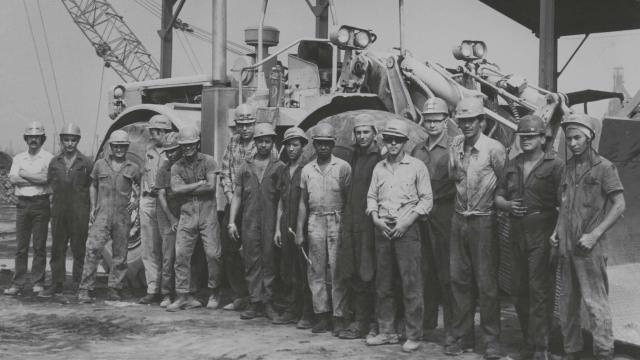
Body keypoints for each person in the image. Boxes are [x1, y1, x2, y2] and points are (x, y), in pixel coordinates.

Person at [552, 114, 625, 360]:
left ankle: (604, 353)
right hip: (566, 246)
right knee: (567, 304)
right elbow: (563, 205)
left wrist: (594, 235)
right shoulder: (568, 167)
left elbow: (619, 205)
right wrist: (555, 232)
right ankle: (572, 351)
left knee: (596, 304)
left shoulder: (605, 167)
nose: (572, 143)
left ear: (590, 137)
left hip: (590, 248)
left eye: (577, 138)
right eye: (569, 138)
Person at [494, 115, 563, 360]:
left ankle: (542, 348)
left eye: (531, 136)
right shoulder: (512, 164)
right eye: (522, 137)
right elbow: (498, 197)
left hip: (543, 232)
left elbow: (563, 204)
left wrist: (556, 235)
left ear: (543, 138)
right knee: (520, 290)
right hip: (517, 233)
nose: (526, 140)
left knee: (540, 291)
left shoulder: (555, 165)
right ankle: (528, 343)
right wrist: (508, 206)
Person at [365, 119, 433, 353]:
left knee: (411, 283)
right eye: (389, 139)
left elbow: (427, 200)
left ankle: (413, 334)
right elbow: (371, 197)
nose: (393, 144)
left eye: (398, 140)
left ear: (404, 142)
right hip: (383, 229)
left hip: (407, 229)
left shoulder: (416, 166)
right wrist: (376, 218)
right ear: (384, 140)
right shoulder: (379, 168)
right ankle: (386, 331)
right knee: (383, 284)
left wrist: (406, 222)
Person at [446, 97, 506, 359]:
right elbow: (454, 179)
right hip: (459, 219)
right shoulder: (455, 145)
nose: (466, 125)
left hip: (484, 221)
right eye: (462, 121)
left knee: (487, 284)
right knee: (459, 281)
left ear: (482, 121)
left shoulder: (495, 149)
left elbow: (504, 184)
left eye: (471, 120)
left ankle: (491, 341)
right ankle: (463, 337)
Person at [219, 104, 277, 311]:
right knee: (230, 249)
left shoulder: (264, 142)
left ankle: (265, 298)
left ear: (255, 123)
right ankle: (241, 294)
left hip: (259, 207)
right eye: (240, 124)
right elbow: (225, 173)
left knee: (263, 253)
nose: (244, 128)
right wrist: (232, 198)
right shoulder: (233, 143)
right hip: (235, 203)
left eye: (248, 124)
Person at [295, 123, 351, 334]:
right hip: (315, 219)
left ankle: (339, 316)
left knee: (337, 270)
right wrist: (300, 231)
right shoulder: (308, 169)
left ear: (333, 144)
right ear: (314, 145)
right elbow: (302, 202)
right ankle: (321, 315)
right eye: (319, 144)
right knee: (315, 269)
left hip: (337, 218)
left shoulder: (343, 167)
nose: (323, 148)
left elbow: (348, 199)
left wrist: (346, 227)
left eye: (327, 144)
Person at [411, 97, 457, 343]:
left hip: (444, 213)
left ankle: (452, 329)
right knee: (423, 270)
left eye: (436, 120)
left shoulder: (454, 148)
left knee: (446, 273)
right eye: (428, 120)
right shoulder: (417, 149)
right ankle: (426, 323)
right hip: (420, 216)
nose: (431, 125)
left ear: (446, 121)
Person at [228, 123, 285, 320]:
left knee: (269, 260)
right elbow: (236, 195)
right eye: (260, 141)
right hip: (249, 220)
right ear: (255, 143)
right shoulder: (245, 166)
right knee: (251, 260)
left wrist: (278, 227)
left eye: (267, 141)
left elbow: (281, 202)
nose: (263, 145)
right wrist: (231, 222)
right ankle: (254, 302)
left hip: (270, 220)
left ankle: (268, 302)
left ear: (272, 143)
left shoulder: (279, 168)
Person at [77, 130, 141, 302]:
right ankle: (85, 288)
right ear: (111, 146)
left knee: (120, 254)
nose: (119, 149)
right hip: (102, 214)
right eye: (116, 146)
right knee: (93, 249)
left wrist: (137, 202)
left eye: (122, 146)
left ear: (127, 147)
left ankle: (115, 288)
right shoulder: (100, 165)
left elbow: (143, 186)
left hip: (122, 216)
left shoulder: (133, 168)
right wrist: (93, 207)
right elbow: (93, 185)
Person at [167, 126, 222, 312]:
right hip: (187, 214)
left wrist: (187, 187)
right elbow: (175, 190)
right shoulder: (176, 166)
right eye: (183, 145)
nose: (187, 148)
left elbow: (211, 187)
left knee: (213, 254)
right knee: (181, 255)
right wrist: (199, 183)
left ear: (197, 143)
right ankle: (183, 296)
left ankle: (214, 292)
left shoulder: (209, 161)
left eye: (190, 144)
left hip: (208, 214)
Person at [337, 113, 382, 340]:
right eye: (359, 132)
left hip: (372, 224)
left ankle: (373, 323)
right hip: (353, 222)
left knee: (371, 274)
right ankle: (359, 320)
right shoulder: (353, 157)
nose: (362, 136)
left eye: (366, 132)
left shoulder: (380, 157)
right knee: (353, 271)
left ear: (375, 134)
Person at [40, 124, 93, 298]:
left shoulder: (85, 162)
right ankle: (57, 283)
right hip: (59, 211)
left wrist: (90, 211)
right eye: (66, 139)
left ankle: (79, 284)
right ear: (61, 140)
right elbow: (49, 185)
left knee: (79, 249)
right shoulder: (54, 162)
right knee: (57, 248)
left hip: (79, 212)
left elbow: (91, 186)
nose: (69, 143)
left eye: (73, 139)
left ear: (78, 140)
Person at [4, 121, 54, 296]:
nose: (34, 140)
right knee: (21, 247)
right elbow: (13, 180)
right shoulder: (18, 158)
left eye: (37, 137)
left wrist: (24, 174)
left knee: (39, 246)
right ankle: (18, 283)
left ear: (42, 139)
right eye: (31, 137)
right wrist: (35, 177)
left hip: (41, 203)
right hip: (22, 204)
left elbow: (46, 179)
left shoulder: (49, 158)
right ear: (26, 139)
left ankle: (38, 282)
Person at [272, 127, 314, 328]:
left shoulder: (308, 169)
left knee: (304, 270)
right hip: (285, 225)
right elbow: (281, 200)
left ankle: (307, 312)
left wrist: (301, 230)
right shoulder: (282, 170)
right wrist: (278, 229)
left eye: (295, 144)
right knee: (287, 269)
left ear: (303, 146)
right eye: (288, 144)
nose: (291, 149)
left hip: (303, 226)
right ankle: (291, 309)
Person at [139, 114, 174, 304]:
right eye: (152, 131)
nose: (155, 134)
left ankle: (167, 290)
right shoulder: (147, 150)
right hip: (147, 200)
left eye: (158, 131)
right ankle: (152, 288)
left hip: (165, 202)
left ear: (167, 132)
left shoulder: (173, 152)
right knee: (148, 246)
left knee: (167, 247)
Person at [155, 132, 183, 308]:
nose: (171, 154)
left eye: (174, 150)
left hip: (184, 212)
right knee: (169, 255)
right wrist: (172, 219)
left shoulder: (185, 165)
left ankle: (186, 292)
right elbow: (161, 196)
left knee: (185, 255)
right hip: (167, 213)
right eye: (168, 151)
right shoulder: (164, 169)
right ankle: (166, 293)